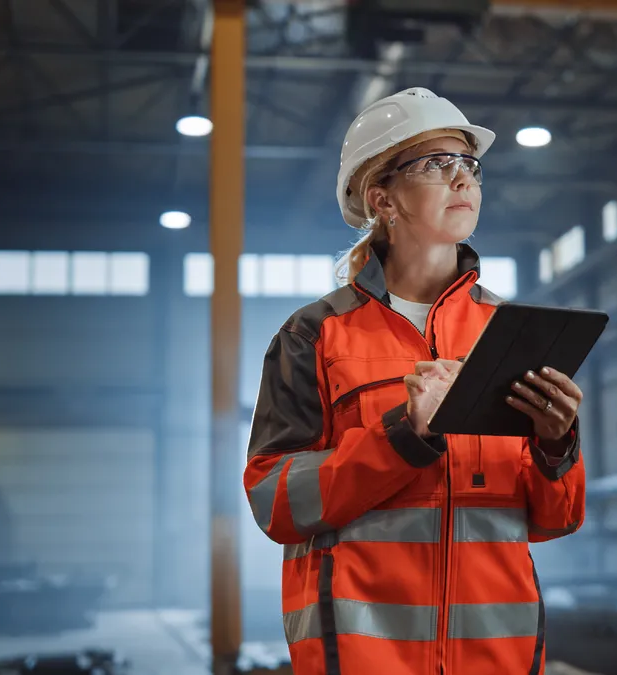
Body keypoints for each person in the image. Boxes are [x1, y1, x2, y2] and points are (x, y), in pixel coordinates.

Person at [243, 87, 587, 675]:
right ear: (383, 199)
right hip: (363, 656)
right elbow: (274, 501)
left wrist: (558, 445)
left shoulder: (511, 333)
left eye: (470, 166)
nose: (463, 180)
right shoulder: (315, 336)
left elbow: (555, 520)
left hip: (497, 658)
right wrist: (404, 435)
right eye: (436, 164)